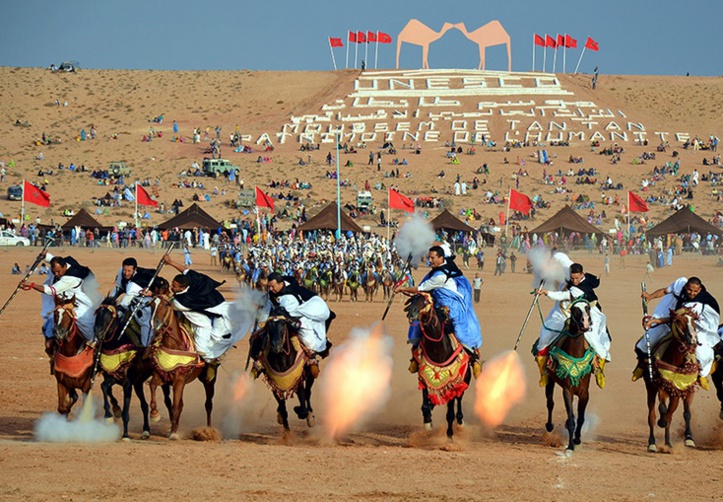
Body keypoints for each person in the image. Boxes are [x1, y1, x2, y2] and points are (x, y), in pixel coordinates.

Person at [395, 245, 483, 378]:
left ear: (441, 258)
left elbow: (421, 288)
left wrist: (402, 289)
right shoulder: (440, 266)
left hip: (452, 304)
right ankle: (416, 355)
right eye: (429, 257)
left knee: (460, 330)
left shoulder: (440, 276)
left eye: (432, 258)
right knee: (420, 320)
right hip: (437, 298)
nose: (429, 260)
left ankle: (473, 359)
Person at [633, 277, 720, 389]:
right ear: (686, 286)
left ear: (700, 289)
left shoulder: (697, 304)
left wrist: (656, 321)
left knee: (703, 353)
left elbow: (678, 318)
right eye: (689, 290)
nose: (692, 293)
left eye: (695, 291)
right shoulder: (680, 284)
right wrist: (650, 296)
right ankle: (641, 365)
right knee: (648, 338)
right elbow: (665, 291)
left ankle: (701, 376)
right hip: (677, 320)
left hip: (699, 325)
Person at [534, 262, 610, 389]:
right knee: (547, 337)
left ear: (582, 275)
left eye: (577, 278)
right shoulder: (570, 281)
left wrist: (547, 292)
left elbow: (563, 295)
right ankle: (544, 372)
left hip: (588, 317)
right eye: (572, 278)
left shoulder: (580, 288)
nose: (574, 281)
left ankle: (599, 371)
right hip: (570, 316)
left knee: (594, 341)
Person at [163, 254, 248, 362]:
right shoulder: (193, 280)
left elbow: (170, 303)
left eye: (174, 286)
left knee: (208, 333)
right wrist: (170, 262)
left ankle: (207, 357)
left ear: (183, 288)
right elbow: (186, 271)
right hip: (210, 307)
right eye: (172, 284)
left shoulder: (181, 302)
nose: (171, 287)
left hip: (215, 311)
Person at [252, 272, 335, 378]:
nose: (271, 289)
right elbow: (268, 299)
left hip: (308, 309)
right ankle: (259, 358)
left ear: (281, 284)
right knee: (263, 327)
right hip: (287, 311)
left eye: (273, 286)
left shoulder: (290, 295)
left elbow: (288, 311)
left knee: (302, 326)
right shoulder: (274, 290)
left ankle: (311, 356)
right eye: (269, 286)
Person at [23, 252, 101, 357]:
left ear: (65, 267)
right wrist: (46, 256)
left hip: (80, 305)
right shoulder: (66, 262)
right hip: (63, 301)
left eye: (59, 272)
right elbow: (54, 260)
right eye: (54, 272)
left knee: (85, 322)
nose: (56, 275)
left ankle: (95, 345)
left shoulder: (69, 278)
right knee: (52, 320)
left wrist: (32, 285)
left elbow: (51, 290)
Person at [111, 257, 155, 347]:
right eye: (125, 270)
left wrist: (152, 293)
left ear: (135, 270)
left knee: (145, 324)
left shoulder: (141, 278)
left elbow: (126, 300)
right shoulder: (121, 272)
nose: (126, 273)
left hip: (144, 304)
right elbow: (118, 288)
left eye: (129, 271)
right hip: (130, 302)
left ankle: (146, 347)